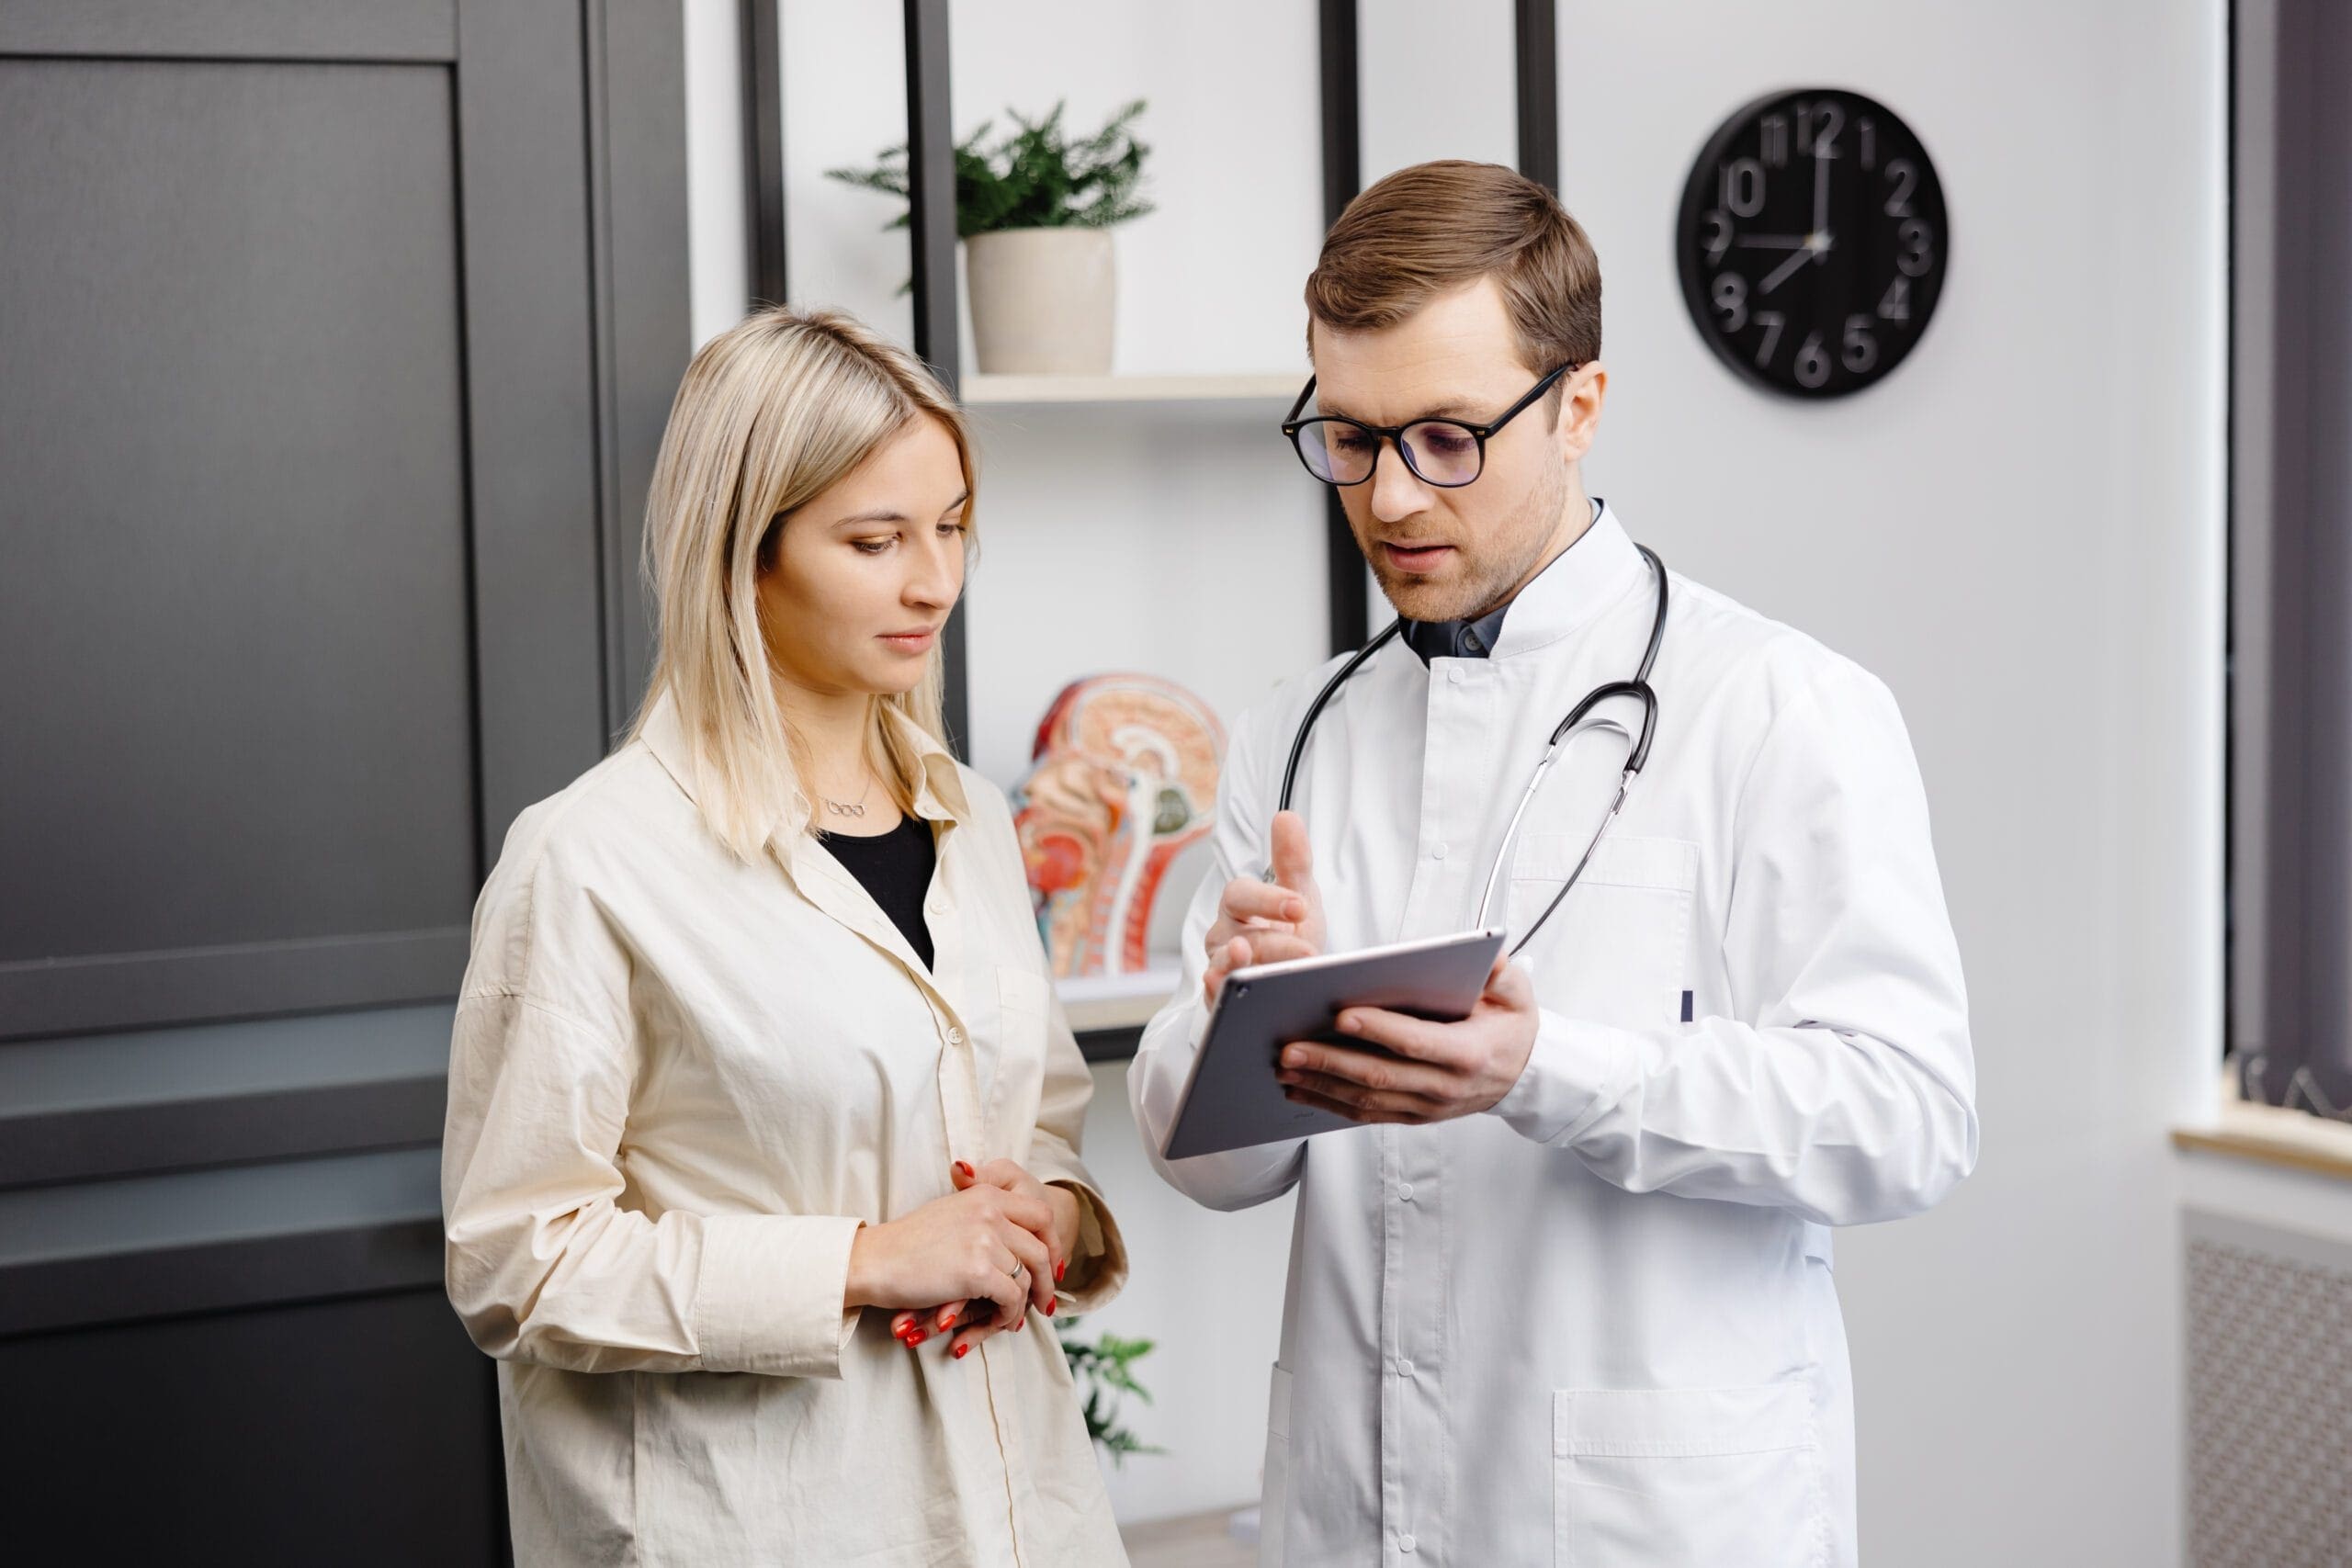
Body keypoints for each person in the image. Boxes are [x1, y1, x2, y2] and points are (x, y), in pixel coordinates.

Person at [1129, 161, 1976, 1566]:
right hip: (1355, 1508)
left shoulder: (1777, 706)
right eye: (1349, 436)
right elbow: (1215, 1174)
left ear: (1579, 404)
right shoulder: (1298, 734)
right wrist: (1234, 1037)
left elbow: (1907, 1119)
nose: (1392, 497)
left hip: (1650, 1519)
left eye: (1449, 437)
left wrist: (1546, 1072)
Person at [442, 306, 1129, 1566]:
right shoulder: (591, 858)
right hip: (755, 1522)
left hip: (1018, 1510)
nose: (934, 580)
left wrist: (1049, 1217)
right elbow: (518, 1261)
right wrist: (869, 1262)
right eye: (876, 540)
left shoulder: (968, 813)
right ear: (740, 553)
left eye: (953, 527)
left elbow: (1033, 1120)